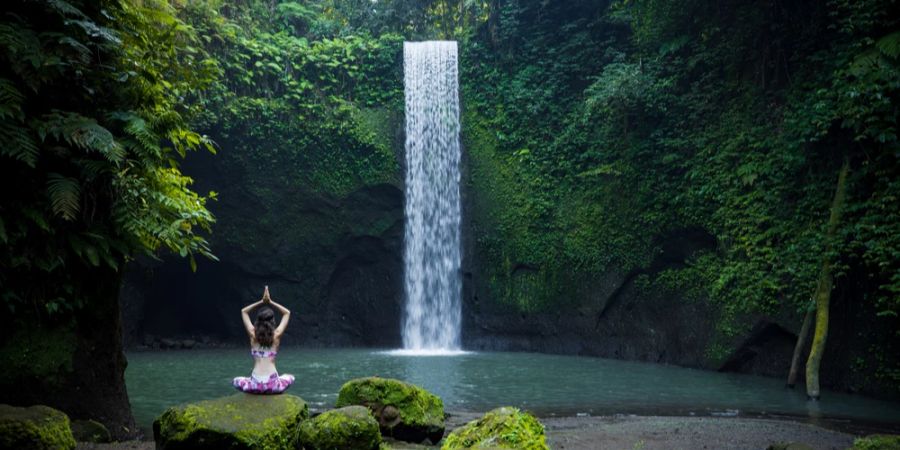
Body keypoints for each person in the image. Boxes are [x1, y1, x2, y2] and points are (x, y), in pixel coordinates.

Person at [232, 286, 295, 394]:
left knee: (236, 380)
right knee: (290, 377)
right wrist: (270, 302)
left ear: (258, 321)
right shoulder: (276, 336)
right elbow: (287, 313)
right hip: (273, 385)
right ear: (272, 321)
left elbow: (244, 312)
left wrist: (261, 302)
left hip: (255, 384)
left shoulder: (253, 335)